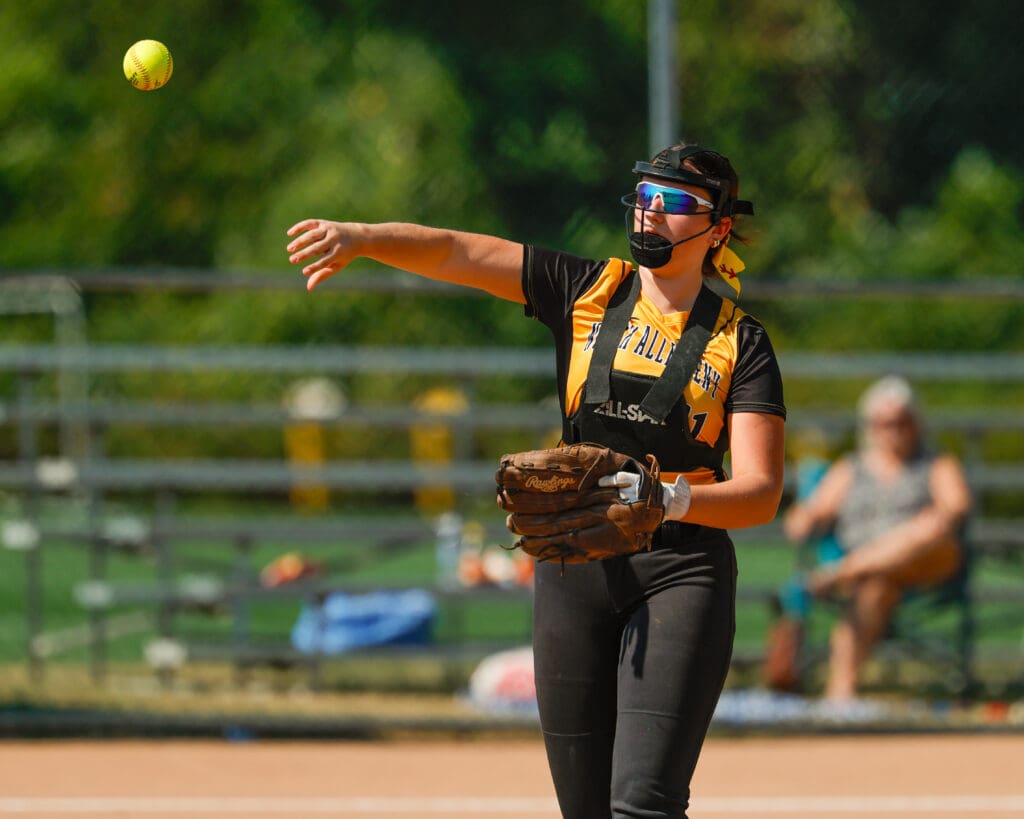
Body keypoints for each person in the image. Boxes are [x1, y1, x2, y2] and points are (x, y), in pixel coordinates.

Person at [286, 143, 786, 818]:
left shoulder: (741, 342)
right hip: (573, 561)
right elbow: (456, 252)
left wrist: (670, 495)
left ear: (717, 228)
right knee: (585, 811)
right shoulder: (588, 289)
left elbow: (760, 492)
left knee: (642, 803)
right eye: (645, 197)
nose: (652, 214)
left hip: (679, 566)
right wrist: (364, 238)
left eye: (674, 203)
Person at [781, 375, 973, 702]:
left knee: (928, 527)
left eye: (902, 421)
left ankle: (841, 573)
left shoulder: (937, 464)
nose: (893, 430)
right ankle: (840, 697)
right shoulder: (850, 468)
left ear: (916, 423)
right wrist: (805, 514)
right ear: (870, 426)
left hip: (927, 563)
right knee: (876, 583)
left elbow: (956, 509)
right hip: (873, 577)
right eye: (884, 423)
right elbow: (806, 518)